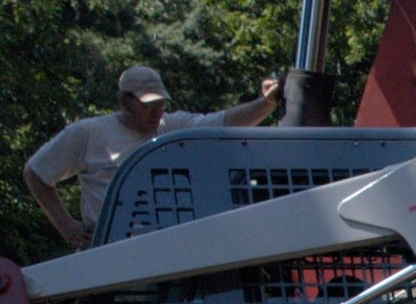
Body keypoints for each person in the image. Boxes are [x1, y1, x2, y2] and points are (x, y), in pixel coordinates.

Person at [23, 65, 281, 250]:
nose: (156, 113)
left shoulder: (171, 127)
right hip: (108, 252)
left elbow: (222, 124)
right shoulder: (88, 133)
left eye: (161, 104)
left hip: (163, 251)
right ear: (125, 101)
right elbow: (35, 173)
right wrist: (68, 227)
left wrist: (266, 103)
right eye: (148, 105)